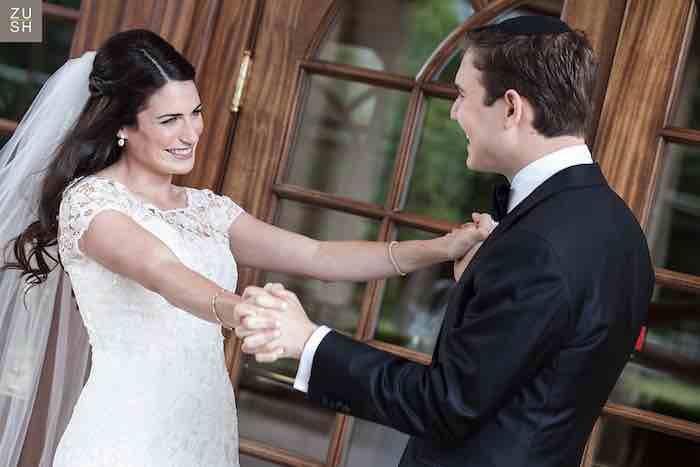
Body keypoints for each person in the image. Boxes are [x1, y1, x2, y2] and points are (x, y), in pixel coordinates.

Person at [0, 29, 487, 466]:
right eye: (170, 119)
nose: (191, 133)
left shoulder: (206, 208)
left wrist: (442, 248)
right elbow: (164, 273)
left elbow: (315, 256)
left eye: (196, 112)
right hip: (128, 432)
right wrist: (245, 313)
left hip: (205, 423)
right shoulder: (91, 204)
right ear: (122, 126)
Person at [235, 15, 655, 467]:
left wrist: (309, 341)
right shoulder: (622, 231)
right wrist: (483, 276)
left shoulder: (537, 245)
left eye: (462, 95)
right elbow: (536, 375)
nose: (454, 112)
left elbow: (447, 404)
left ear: (511, 108)